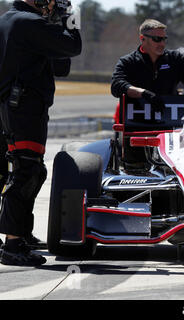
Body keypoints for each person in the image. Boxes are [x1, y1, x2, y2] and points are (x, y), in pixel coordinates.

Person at [0, 0, 81, 266]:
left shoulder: (9, 21)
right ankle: (13, 244)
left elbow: (61, 66)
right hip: (24, 108)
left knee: (23, 171)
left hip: (10, 107)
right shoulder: (29, 22)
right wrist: (71, 22)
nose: (53, 5)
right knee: (26, 172)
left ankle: (19, 233)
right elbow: (73, 47)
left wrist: (53, 28)